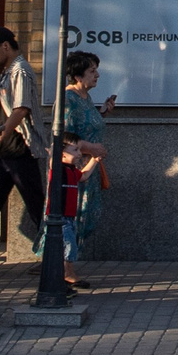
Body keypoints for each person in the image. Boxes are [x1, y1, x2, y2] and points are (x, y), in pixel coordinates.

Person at [34, 49, 114, 286]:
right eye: (92, 71)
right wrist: (91, 149)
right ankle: (63, 269)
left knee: (84, 216)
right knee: (71, 217)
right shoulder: (68, 100)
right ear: (78, 76)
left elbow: (85, 124)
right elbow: (64, 138)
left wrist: (102, 113)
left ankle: (62, 265)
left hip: (86, 166)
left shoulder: (85, 98)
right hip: (72, 170)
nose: (97, 75)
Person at [0, 26, 45, 247]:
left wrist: (0, 137)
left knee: (35, 203)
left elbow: (21, 109)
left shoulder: (20, 70)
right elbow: (12, 107)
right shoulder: (10, 71)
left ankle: (56, 258)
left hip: (20, 145)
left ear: (5, 46)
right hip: (10, 148)